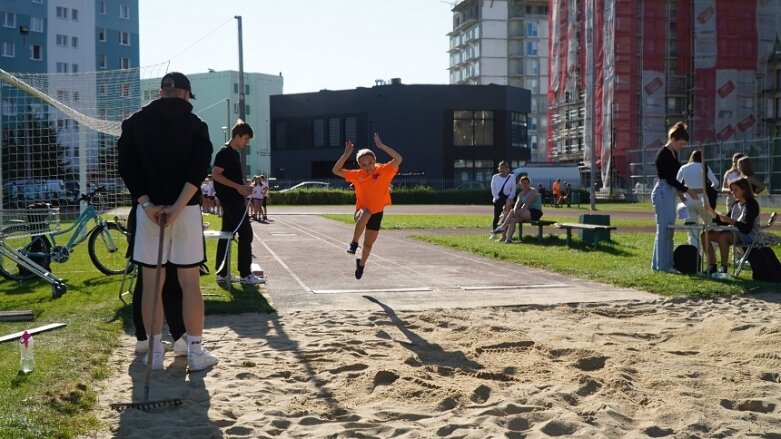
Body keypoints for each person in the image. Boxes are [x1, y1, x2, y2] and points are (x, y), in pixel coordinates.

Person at [117, 71, 217, 372]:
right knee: (190, 282)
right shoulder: (195, 125)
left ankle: (156, 352)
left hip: (149, 211)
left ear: (161, 93)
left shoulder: (134, 123)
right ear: (186, 95)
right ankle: (195, 351)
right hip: (184, 211)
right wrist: (176, 207)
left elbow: (126, 167)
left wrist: (147, 203)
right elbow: (198, 171)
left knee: (151, 284)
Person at [332, 132, 402, 279]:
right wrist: (346, 154)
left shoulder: (385, 170)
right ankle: (353, 243)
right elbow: (335, 170)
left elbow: (398, 158)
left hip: (378, 213)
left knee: (369, 245)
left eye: (370, 163)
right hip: (361, 212)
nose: (368, 167)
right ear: (359, 166)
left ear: (374, 160)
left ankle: (361, 265)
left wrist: (381, 146)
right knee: (366, 213)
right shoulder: (357, 175)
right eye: (363, 165)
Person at [212, 119, 265, 286]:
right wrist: (237, 187)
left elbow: (229, 177)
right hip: (231, 202)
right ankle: (245, 274)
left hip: (233, 200)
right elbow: (216, 174)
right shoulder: (225, 152)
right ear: (237, 136)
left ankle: (222, 274)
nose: (247, 142)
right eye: (246, 139)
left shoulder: (233, 153)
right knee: (246, 234)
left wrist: (244, 186)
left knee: (226, 236)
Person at [651, 121, 693, 273]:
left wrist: (680, 193)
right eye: (680, 143)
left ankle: (662, 264)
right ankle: (662, 266)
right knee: (664, 230)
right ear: (673, 140)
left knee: (667, 231)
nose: (681, 147)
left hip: (669, 192)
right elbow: (669, 178)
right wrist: (685, 189)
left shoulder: (673, 153)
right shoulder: (663, 154)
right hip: (663, 191)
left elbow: (674, 178)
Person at [700, 177, 759, 275]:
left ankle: (724, 267)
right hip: (733, 233)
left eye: (735, 189)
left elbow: (746, 228)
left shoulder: (751, 204)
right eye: (732, 189)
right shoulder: (736, 204)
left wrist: (730, 221)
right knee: (705, 235)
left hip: (748, 235)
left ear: (744, 190)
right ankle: (712, 266)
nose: (732, 192)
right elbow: (724, 222)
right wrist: (711, 212)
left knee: (724, 236)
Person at [675, 150, 718, 248]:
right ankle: (711, 252)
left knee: (692, 230)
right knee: (710, 226)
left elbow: (676, 184)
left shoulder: (683, 167)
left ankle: (694, 255)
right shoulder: (704, 166)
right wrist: (707, 187)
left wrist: (681, 195)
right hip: (703, 200)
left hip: (688, 200)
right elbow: (716, 182)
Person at [497, 175, 543, 243]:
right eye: (523, 183)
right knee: (512, 219)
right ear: (520, 185)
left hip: (535, 212)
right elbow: (517, 205)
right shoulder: (521, 194)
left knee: (511, 212)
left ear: (529, 184)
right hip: (525, 212)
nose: (525, 185)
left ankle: (503, 226)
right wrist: (515, 211)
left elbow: (526, 205)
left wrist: (514, 212)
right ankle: (509, 239)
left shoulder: (533, 191)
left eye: (527, 183)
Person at [489, 161, 515, 234]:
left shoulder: (512, 177)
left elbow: (513, 190)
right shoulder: (495, 177)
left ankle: (506, 234)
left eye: (504, 168)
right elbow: (493, 188)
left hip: (508, 200)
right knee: (496, 216)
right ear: (499, 168)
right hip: (498, 200)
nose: (503, 169)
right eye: (501, 168)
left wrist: (509, 199)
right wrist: (497, 198)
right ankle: (494, 232)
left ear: (507, 169)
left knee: (507, 216)